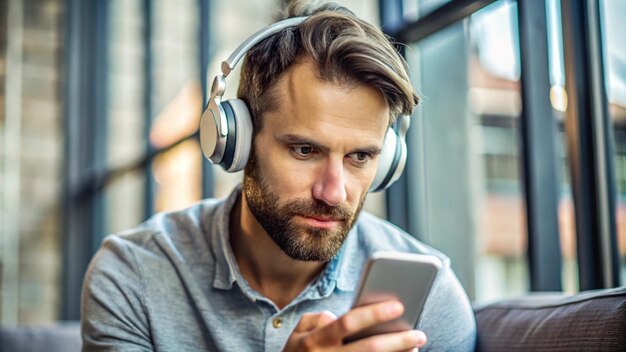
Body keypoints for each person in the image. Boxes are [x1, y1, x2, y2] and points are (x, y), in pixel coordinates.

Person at [81, 2, 476, 351]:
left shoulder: (431, 299)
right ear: (238, 140)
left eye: (360, 156)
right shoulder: (132, 274)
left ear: (388, 159)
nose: (334, 192)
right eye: (305, 150)